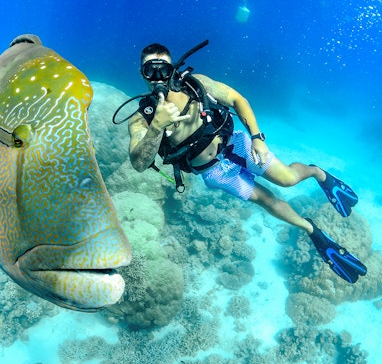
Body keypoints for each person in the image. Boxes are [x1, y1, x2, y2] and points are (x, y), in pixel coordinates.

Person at [127, 42, 367, 283]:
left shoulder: (196, 84)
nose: (158, 78)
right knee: (267, 201)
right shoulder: (141, 119)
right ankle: (313, 232)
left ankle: (317, 172)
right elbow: (138, 162)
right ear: (142, 74)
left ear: (173, 69)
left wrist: (257, 137)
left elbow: (237, 100)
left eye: (163, 70)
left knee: (288, 180)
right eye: (150, 70)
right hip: (214, 173)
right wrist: (157, 125)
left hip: (236, 145)